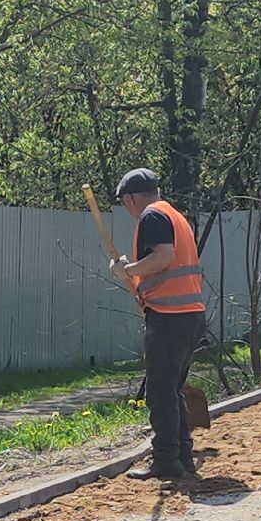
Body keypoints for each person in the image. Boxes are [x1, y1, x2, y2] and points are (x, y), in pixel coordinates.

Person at [107, 168, 207, 480]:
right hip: (189, 315)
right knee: (171, 391)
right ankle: (182, 456)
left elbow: (163, 257)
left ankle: (166, 459)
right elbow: (169, 265)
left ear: (131, 199)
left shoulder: (151, 217)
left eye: (124, 203)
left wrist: (127, 270)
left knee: (161, 394)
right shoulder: (175, 216)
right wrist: (142, 286)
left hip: (170, 317)